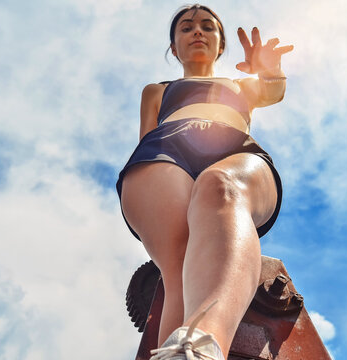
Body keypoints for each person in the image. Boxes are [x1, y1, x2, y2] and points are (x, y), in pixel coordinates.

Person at [116, 4, 293, 360]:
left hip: (231, 146)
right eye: (186, 27)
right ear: (174, 47)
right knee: (179, 263)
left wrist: (271, 72)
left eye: (207, 27)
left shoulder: (242, 85)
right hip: (164, 148)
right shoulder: (157, 90)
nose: (197, 31)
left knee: (222, 187)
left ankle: (201, 346)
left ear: (220, 44)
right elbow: (145, 138)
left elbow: (272, 91)